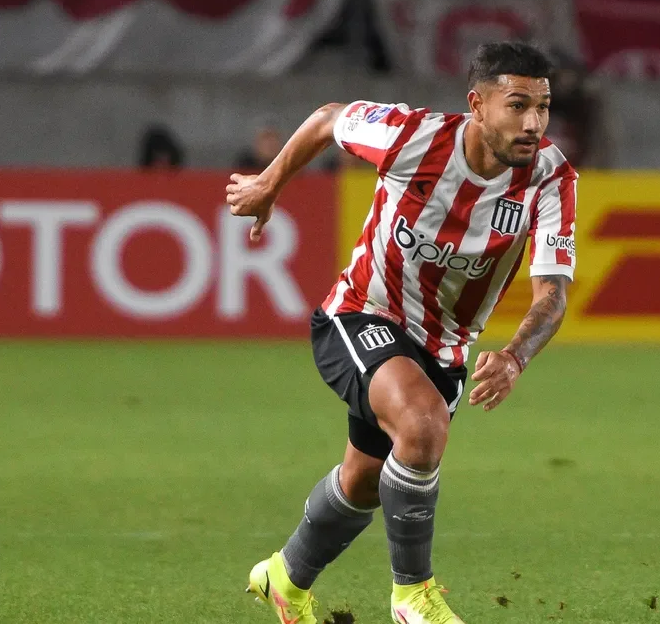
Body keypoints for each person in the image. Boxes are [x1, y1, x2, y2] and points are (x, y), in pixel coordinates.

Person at [225, 41, 576, 624]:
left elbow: (552, 294)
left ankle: (284, 577)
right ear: (477, 105)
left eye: (542, 107)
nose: (533, 122)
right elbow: (327, 118)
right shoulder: (412, 136)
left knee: (364, 483)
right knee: (421, 423)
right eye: (517, 106)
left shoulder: (551, 178)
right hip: (362, 312)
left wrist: (515, 357)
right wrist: (269, 183)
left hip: (445, 349)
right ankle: (414, 595)